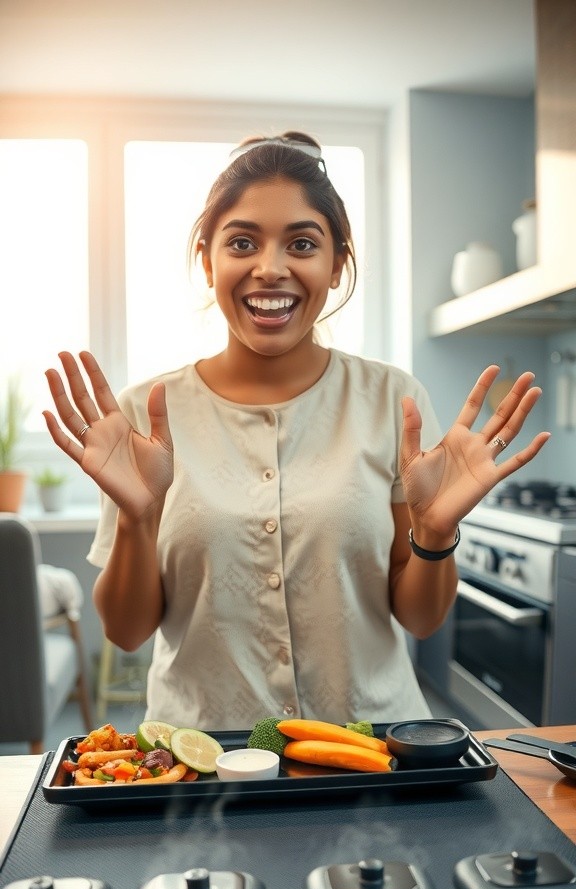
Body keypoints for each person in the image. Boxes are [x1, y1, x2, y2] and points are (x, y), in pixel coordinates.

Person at [44, 131, 550, 731]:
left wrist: (435, 531)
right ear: (208, 260)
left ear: (337, 265)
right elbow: (127, 632)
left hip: (367, 751)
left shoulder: (394, 402)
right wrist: (135, 518)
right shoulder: (145, 415)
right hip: (205, 758)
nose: (271, 268)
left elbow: (419, 620)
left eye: (303, 243)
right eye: (242, 242)